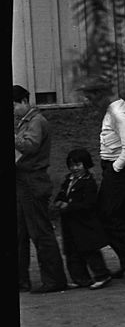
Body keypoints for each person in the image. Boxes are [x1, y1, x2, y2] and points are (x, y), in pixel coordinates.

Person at [89, 80, 125, 279]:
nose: (92, 102)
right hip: (117, 167)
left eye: (94, 97)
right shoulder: (114, 110)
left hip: (120, 168)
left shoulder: (119, 114)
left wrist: (115, 168)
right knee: (123, 214)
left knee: (106, 214)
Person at [14, 85, 68, 293]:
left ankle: (54, 280)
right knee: (20, 232)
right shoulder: (26, 121)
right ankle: (21, 278)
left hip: (33, 181)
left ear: (25, 101)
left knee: (40, 232)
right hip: (24, 181)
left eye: (14, 105)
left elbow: (30, 146)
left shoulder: (36, 121)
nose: (13, 110)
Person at [50, 149, 112, 290]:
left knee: (89, 250)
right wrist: (59, 201)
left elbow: (89, 204)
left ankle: (102, 275)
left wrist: (69, 206)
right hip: (69, 224)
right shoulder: (68, 179)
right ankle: (81, 279)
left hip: (85, 223)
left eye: (78, 165)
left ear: (86, 165)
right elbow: (61, 193)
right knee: (72, 252)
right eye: (71, 165)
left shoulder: (88, 182)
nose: (74, 168)